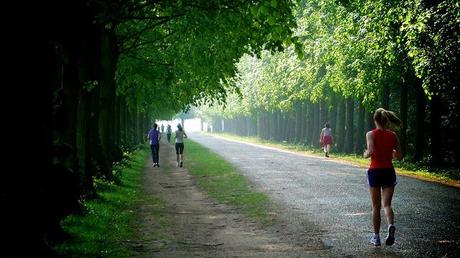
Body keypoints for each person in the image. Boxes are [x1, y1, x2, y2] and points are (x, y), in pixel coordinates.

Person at [363, 108, 402, 246]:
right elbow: (400, 156)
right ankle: (390, 225)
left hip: (375, 171)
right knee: (387, 205)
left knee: (375, 207)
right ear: (386, 120)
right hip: (388, 171)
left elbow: (371, 151)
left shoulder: (370, 134)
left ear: (375, 120)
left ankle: (376, 237)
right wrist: (391, 153)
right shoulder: (393, 135)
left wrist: (365, 154)